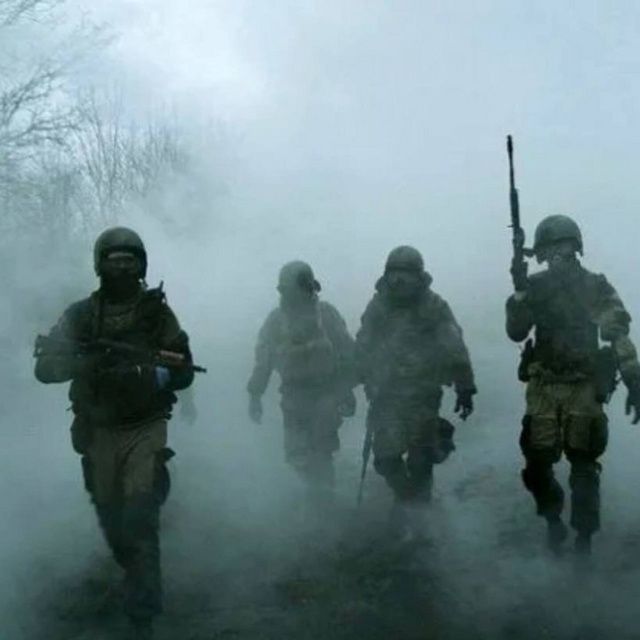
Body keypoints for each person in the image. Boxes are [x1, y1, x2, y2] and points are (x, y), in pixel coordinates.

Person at [34, 227, 195, 639]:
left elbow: (183, 370)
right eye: (114, 260)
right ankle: (134, 573)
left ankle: (143, 617)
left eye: (129, 261)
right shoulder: (81, 315)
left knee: (140, 518)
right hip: (98, 429)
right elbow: (44, 368)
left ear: (141, 265)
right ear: (100, 265)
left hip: (145, 426)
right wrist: (84, 365)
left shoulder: (156, 314)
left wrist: (151, 374)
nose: (122, 268)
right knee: (113, 519)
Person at [506, 214, 640, 556]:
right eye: (551, 249)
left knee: (583, 464)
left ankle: (584, 538)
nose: (558, 255)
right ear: (541, 254)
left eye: (563, 247)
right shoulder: (535, 287)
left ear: (576, 248)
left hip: (583, 384)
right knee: (536, 462)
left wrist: (634, 378)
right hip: (545, 383)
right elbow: (517, 332)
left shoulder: (594, 286)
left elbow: (616, 333)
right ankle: (552, 518)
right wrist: (519, 293)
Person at [355, 246, 476, 533]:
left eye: (406, 274)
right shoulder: (378, 306)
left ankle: (419, 521)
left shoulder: (433, 306)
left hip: (423, 394)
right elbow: (363, 345)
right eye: (394, 273)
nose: (399, 280)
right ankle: (407, 500)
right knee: (385, 459)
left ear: (418, 276)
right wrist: (358, 378)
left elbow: (454, 346)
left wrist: (465, 387)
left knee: (421, 459)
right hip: (387, 396)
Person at [247, 261, 356, 495]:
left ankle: (323, 498)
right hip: (294, 396)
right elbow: (264, 360)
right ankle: (316, 491)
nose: (290, 295)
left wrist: (346, 390)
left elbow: (347, 352)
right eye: (285, 290)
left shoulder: (326, 315)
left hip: (326, 394)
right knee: (296, 455)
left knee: (322, 450)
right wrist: (255, 395)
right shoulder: (276, 321)